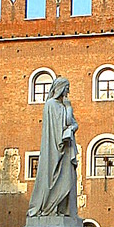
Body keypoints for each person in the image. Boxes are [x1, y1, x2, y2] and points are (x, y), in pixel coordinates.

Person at [28, 76, 78, 218]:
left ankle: (62, 209)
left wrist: (72, 125)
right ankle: (51, 207)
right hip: (56, 148)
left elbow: (72, 123)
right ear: (61, 88)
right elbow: (63, 124)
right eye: (67, 88)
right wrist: (68, 109)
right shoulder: (50, 104)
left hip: (66, 149)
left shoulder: (63, 106)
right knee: (53, 177)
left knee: (67, 178)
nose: (68, 91)